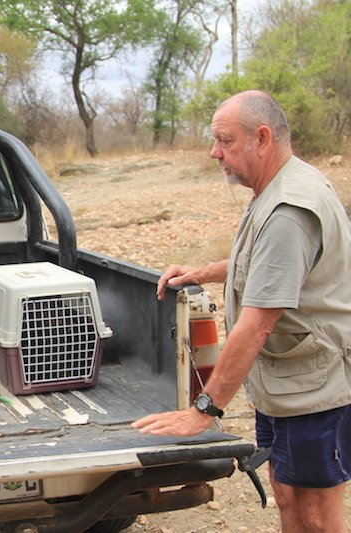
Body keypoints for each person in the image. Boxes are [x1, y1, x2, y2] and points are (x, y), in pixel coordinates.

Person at [132, 90, 350, 533]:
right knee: (288, 494)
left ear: (262, 138)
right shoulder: (276, 187)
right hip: (289, 384)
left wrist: (204, 409)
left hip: (313, 390)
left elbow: (255, 326)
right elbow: (268, 265)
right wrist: (204, 271)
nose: (215, 152)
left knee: (315, 511)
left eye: (224, 141)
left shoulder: (289, 209)